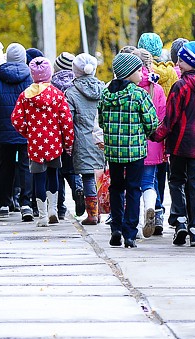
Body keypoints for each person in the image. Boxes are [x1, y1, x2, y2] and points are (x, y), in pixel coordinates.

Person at [153, 41, 195, 247]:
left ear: (188, 62)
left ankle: (180, 222)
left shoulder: (181, 86)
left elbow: (171, 119)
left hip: (179, 143)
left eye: (180, 59)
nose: (177, 62)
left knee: (177, 181)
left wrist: (154, 136)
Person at [99, 52, 159, 248]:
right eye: (138, 71)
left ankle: (115, 227)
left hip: (113, 151)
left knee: (116, 187)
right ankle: (130, 232)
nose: (142, 74)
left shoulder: (106, 95)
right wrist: (146, 134)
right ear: (128, 73)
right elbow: (152, 122)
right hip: (135, 151)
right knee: (133, 189)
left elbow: (101, 121)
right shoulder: (139, 94)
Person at [11, 57, 75, 227]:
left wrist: (28, 131)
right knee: (53, 175)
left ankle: (43, 216)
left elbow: (16, 119)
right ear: (49, 74)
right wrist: (68, 142)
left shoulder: (25, 96)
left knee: (38, 178)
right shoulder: (57, 95)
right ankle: (53, 209)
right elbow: (66, 121)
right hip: (54, 143)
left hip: (35, 144)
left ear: (32, 74)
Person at [0, 43, 34, 220]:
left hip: (4, 128)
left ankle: (3, 203)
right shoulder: (31, 78)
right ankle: (26, 204)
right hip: (27, 129)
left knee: (5, 165)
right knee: (26, 165)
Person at [66, 53, 105, 225]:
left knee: (88, 176)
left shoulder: (71, 92)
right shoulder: (104, 89)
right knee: (101, 176)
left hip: (82, 140)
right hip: (102, 137)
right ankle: (102, 210)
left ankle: (92, 214)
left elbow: (68, 119)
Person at [133, 49, 167, 239]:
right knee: (148, 183)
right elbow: (161, 118)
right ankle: (150, 207)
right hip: (153, 144)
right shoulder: (157, 88)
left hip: (132, 144)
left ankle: (135, 225)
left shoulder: (130, 87)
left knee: (132, 186)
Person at [51, 52, 80, 219]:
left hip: (55, 134)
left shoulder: (52, 85)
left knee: (58, 170)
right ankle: (77, 188)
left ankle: (60, 208)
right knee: (72, 168)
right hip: (77, 132)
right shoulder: (76, 85)